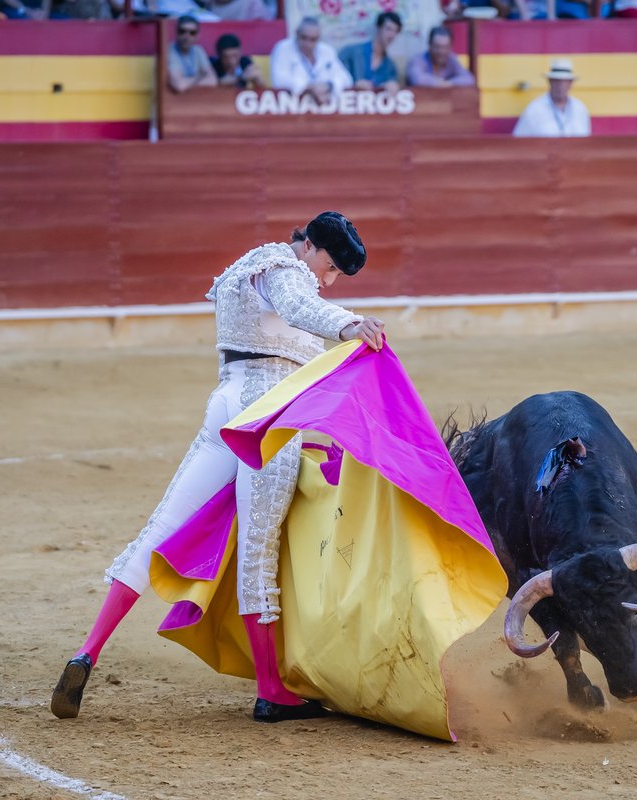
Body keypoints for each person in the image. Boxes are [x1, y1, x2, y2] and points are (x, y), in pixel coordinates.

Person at [51, 212, 386, 723]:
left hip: (227, 400)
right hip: (266, 414)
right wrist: (348, 323)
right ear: (310, 245)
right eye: (331, 266)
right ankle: (272, 690)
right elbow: (298, 306)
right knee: (258, 551)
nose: (328, 279)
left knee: (160, 527)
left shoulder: (246, 265)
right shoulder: (287, 270)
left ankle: (87, 652)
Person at [270, 17, 353, 103]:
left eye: (313, 39)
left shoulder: (326, 50)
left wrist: (328, 86)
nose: (307, 44)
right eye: (303, 37)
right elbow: (279, 80)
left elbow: (346, 79)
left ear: (319, 38)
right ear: (296, 33)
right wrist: (310, 88)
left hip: (324, 106)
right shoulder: (283, 48)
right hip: (292, 107)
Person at [513, 59, 592, 138]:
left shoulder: (580, 109)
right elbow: (519, 141)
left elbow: (587, 141)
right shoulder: (534, 109)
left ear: (571, 83)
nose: (560, 86)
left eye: (564, 82)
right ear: (549, 82)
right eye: (556, 81)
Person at [339, 12, 403, 94]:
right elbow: (335, 77)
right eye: (388, 29)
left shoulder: (390, 66)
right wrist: (354, 84)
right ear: (378, 28)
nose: (392, 35)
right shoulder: (351, 53)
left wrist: (390, 86)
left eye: (396, 31)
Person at [405, 27, 476, 89]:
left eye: (445, 47)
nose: (442, 51)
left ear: (451, 47)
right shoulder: (418, 59)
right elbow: (417, 79)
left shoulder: (452, 59)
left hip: (445, 102)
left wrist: (449, 83)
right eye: (438, 47)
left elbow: (469, 79)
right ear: (430, 46)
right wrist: (438, 83)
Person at [167, 15, 218, 94]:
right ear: (176, 33)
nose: (187, 36)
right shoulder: (169, 51)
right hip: (168, 103)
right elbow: (179, 86)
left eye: (192, 33)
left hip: (190, 102)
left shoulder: (198, 50)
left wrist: (188, 82)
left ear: (197, 36)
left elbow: (213, 80)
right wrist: (200, 77)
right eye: (182, 31)